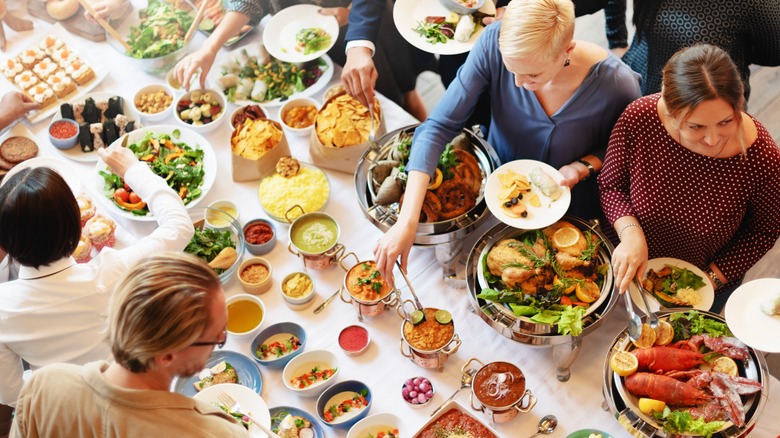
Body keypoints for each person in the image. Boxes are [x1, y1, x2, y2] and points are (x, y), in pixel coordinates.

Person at [373, 0, 641, 281]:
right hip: (499, 189)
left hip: (569, 208)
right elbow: (438, 126)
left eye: (532, 75)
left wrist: (583, 166)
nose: (516, 83)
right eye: (510, 69)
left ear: (567, 51)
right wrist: (407, 221)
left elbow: (623, 152)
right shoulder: (491, 40)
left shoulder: (617, 84)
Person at [0, 144, 194, 410]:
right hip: (130, 395)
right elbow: (180, 228)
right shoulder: (109, 273)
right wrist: (133, 170)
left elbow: (13, 396)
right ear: (74, 228)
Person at [598, 44, 780, 311]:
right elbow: (611, 185)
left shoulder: (761, 157)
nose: (712, 138)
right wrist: (630, 234)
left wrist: (706, 282)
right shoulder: (640, 118)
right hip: (624, 264)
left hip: (703, 286)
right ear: (668, 110)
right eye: (695, 127)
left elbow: (764, 232)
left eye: (726, 122)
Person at [10, 253, 247, 437]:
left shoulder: (44, 386)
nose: (219, 342)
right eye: (218, 337)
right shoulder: (217, 432)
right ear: (166, 356)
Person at [173, 0, 429, 120]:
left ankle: (418, 121)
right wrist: (211, 46)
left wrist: (350, 13)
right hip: (307, 33)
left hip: (366, 28)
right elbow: (250, 2)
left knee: (397, 92)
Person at [605, 0, 780, 99]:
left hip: (705, 100)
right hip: (643, 81)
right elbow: (773, 52)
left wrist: (616, 39)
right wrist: (617, 39)